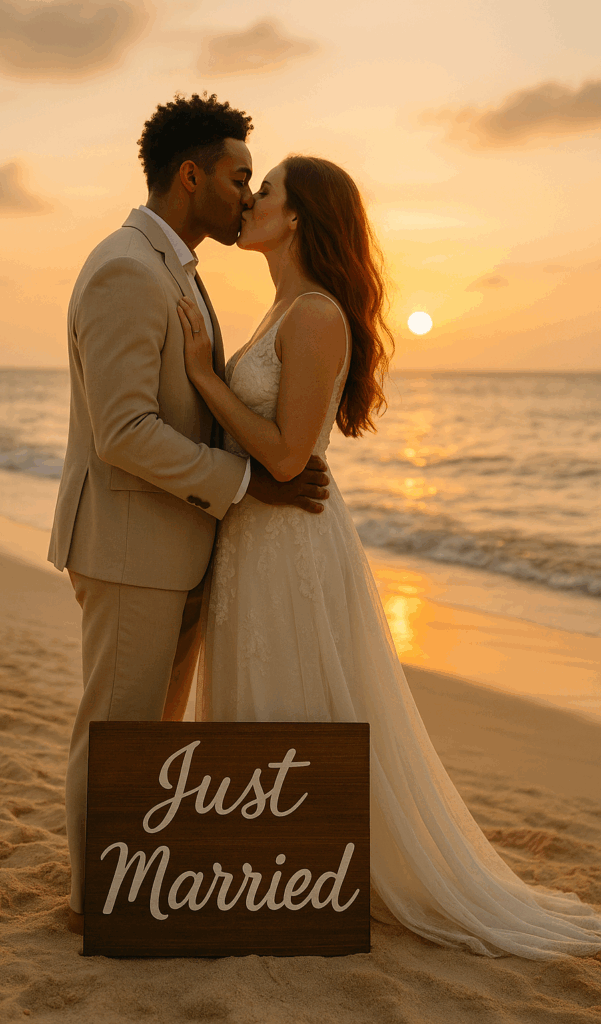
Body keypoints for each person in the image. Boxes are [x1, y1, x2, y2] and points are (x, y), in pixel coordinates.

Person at [177, 154, 601, 960]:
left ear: (296, 216)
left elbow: (288, 457)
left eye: (262, 191)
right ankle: (270, 875)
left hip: (290, 537)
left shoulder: (314, 316)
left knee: (298, 697)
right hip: (254, 537)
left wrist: (203, 377)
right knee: (260, 695)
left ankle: (300, 878)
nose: (249, 201)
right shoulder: (280, 308)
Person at [47, 95, 330, 934]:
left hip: (173, 546)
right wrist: (250, 484)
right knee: (116, 734)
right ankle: (96, 903)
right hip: (131, 545)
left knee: (148, 742)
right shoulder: (125, 270)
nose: (248, 196)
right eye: (241, 177)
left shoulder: (174, 267)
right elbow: (125, 430)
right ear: (191, 175)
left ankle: (129, 890)